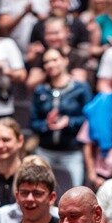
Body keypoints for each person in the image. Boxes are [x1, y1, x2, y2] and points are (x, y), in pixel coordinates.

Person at [29, 48, 92, 189]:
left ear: (65, 60)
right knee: (40, 190)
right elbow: (33, 123)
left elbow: (89, 120)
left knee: (74, 194)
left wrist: (68, 122)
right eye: (46, 62)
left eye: (54, 60)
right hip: (45, 150)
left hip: (72, 152)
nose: (50, 64)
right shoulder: (40, 91)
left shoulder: (80, 88)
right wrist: (46, 124)